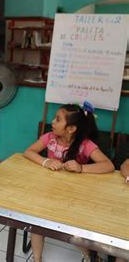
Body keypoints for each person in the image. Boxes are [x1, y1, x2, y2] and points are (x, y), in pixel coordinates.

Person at [23, 103, 115, 262]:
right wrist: (46, 161)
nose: (52, 121)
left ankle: (89, 255)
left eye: (57, 119)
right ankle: (37, 259)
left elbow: (108, 165)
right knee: (37, 220)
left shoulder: (85, 144)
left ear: (71, 129)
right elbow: (28, 152)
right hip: (48, 192)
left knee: (77, 227)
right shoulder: (49, 138)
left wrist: (81, 168)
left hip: (75, 198)